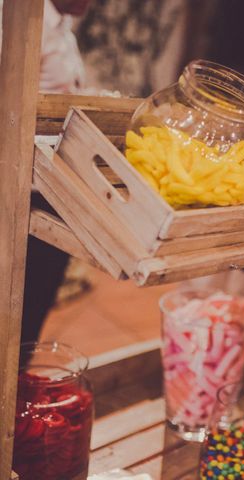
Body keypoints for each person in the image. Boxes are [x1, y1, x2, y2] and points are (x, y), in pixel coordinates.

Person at [0, 0, 90, 344]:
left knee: (38, 299)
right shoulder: (21, 23)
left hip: (55, 184)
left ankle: (19, 376)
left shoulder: (62, 28)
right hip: (25, 187)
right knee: (18, 299)